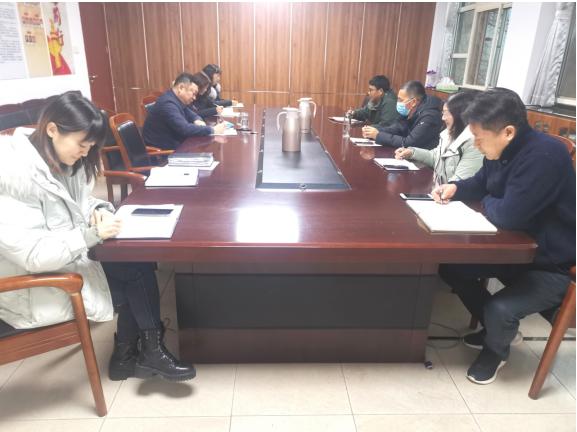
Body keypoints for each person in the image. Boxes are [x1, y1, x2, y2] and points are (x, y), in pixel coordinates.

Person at [0, 93, 196, 382]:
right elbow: (32, 256)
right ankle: (139, 355)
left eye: (90, 146)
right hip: (32, 287)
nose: (84, 153)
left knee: (137, 267)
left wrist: (100, 209)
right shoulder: (12, 178)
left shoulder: (59, 159)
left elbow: (81, 202)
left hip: (63, 261)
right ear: (52, 129)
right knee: (136, 284)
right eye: (82, 144)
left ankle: (130, 357)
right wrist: (90, 235)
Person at [433, 88, 576, 385]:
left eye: (479, 138)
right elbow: (482, 183)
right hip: (517, 250)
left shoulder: (544, 155)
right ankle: (494, 329)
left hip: (554, 264)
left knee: (499, 309)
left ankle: (495, 351)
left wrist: (489, 200)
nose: (475, 144)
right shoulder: (500, 149)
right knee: (450, 266)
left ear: (508, 132)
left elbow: (509, 216)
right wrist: (457, 188)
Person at [395, 91, 483, 183]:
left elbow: (460, 182)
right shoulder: (450, 133)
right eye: (443, 113)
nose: (443, 118)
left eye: (446, 113)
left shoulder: (474, 143)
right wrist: (412, 152)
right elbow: (436, 157)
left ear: (462, 114)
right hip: (440, 187)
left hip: (450, 190)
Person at [142, 72, 226, 151]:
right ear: (181, 88)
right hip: (164, 154)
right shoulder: (168, 104)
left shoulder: (175, 100)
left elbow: (192, 114)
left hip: (177, 146)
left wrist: (198, 120)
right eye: (193, 93)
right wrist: (212, 130)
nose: (194, 98)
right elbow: (185, 129)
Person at [362, 80, 444, 150]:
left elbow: (409, 143)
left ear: (413, 102)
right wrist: (372, 132)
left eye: (400, 100)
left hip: (423, 161)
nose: (398, 103)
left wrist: (378, 136)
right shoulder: (408, 112)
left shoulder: (430, 117)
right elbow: (393, 130)